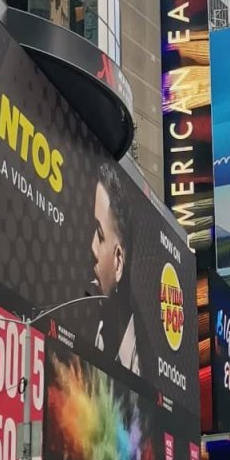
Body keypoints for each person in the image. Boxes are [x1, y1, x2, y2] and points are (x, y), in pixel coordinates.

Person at [89, 160, 141, 375]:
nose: (91, 248)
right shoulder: (98, 338)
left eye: (99, 235)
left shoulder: (143, 365)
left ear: (119, 262)